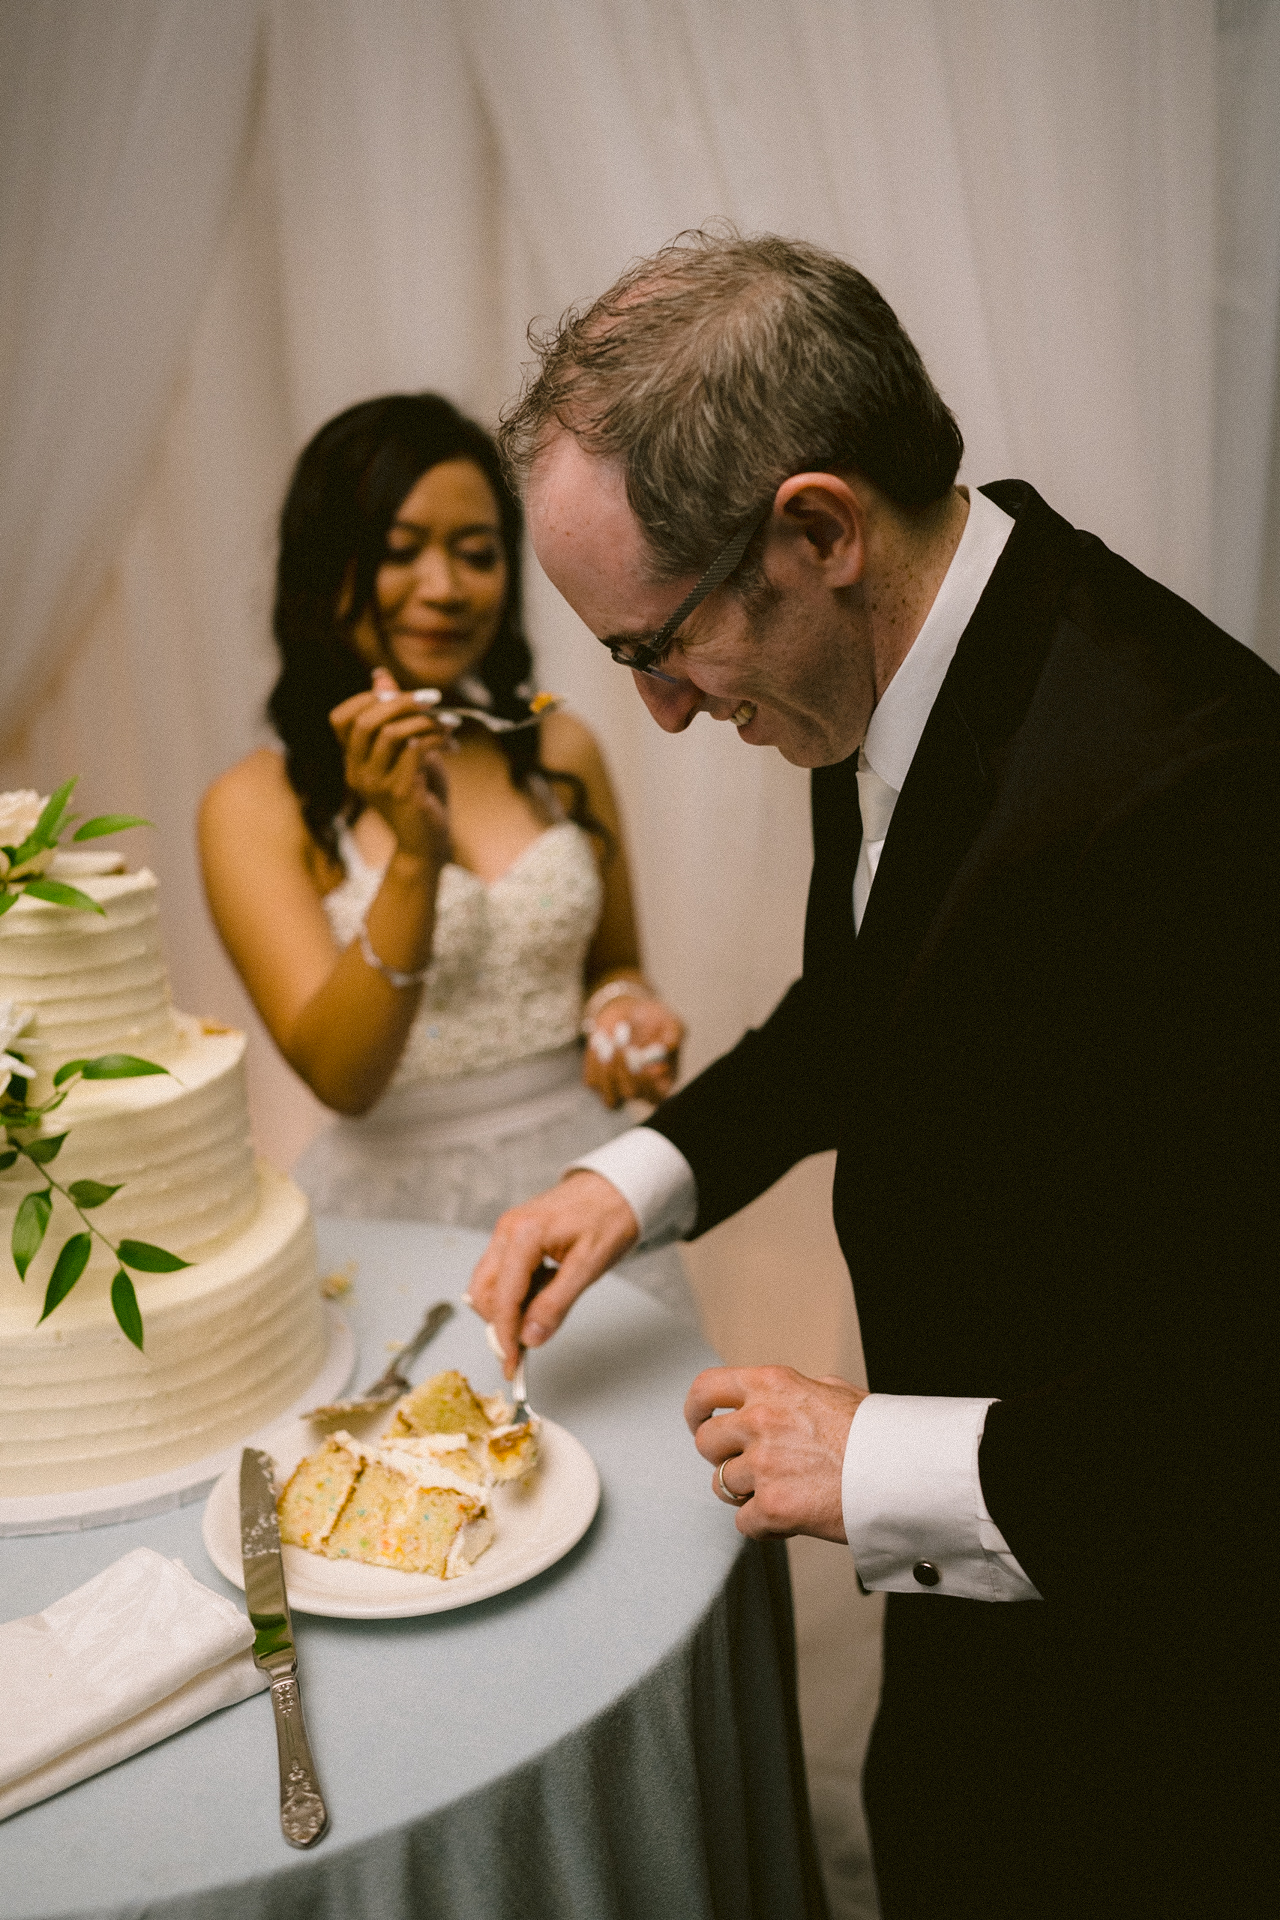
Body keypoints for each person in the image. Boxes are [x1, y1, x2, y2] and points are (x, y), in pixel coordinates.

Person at [466, 234, 1278, 1916]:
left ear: (818, 529)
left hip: (1154, 1696)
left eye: (659, 647)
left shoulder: (1195, 794)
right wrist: (629, 1179)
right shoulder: (905, 666)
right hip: (972, 1638)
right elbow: (872, 1006)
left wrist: (886, 1465)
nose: (670, 717)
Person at [199, 393, 690, 1318]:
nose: (446, 587)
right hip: (396, 1218)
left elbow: (616, 966)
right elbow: (342, 1076)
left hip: (581, 1187)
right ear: (327, 562)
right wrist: (416, 858)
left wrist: (628, 1013)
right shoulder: (252, 806)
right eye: (401, 549)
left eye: (477, 552)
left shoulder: (561, 751)